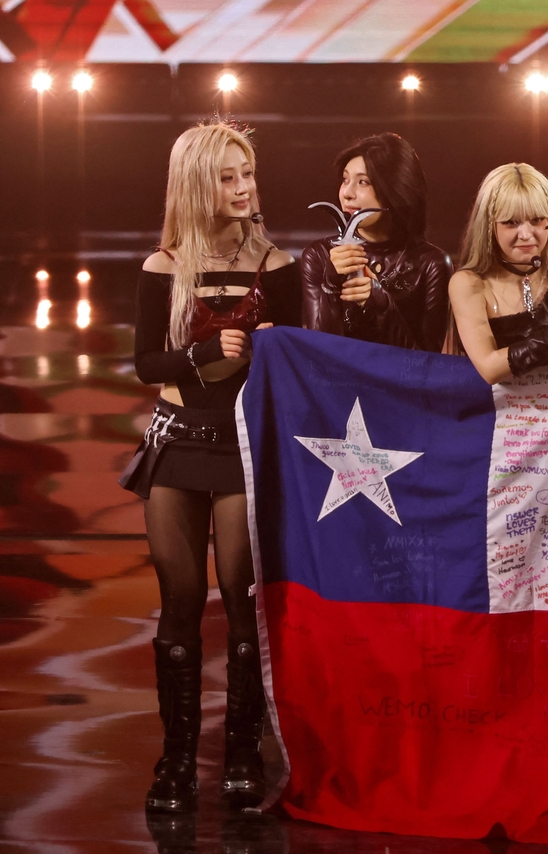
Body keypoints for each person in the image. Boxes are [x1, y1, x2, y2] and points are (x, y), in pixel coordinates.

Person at [119, 121, 300, 814]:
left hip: (243, 441)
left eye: (247, 172)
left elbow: (297, 359)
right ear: (196, 183)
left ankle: (244, 755)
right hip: (176, 440)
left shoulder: (275, 262)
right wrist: (200, 353)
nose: (243, 187)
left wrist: (274, 346)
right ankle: (176, 760)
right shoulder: (164, 264)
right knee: (182, 601)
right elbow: (143, 366)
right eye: (227, 176)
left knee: (245, 601)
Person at [449, 163, 548, 383]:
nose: (526, 234)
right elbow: (489, 368)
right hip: (500, 415)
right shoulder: (468, 283)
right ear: (489, 226)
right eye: (511, 222)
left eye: (536, 220)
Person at [301, 133, 452, 351]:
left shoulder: (431, 263)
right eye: (345, 179)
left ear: (395, 188)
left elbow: (426, 363)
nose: (347, 193)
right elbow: (316, 352)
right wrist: (331, 284)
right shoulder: (319, 254)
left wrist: (381, 302)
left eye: (363, 181)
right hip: (336, 384)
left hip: (398, 385)